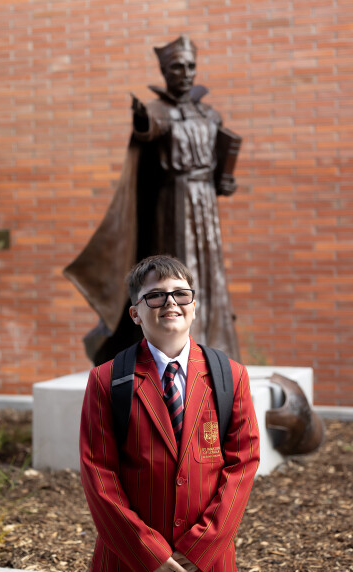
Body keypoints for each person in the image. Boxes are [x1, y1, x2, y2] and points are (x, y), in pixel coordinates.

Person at [80, 255, 260, 572]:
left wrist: (202, 544)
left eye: (181, 293)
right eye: (156, 296)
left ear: (194, 306)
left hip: (204, 568)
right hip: (132, 568)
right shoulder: (107, 380)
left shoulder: (230, 376)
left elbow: (242, 465)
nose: (171, 302)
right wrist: (146, 548)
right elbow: (98, 474)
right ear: (135, 313)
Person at [64, 35, 241, 365]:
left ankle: (213, 349)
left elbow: (217, 166)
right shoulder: (157, 111)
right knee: (176, 270)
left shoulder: (209, 114)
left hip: (206, 205)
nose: (185, 73)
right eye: (177, 67)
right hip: (172, 206)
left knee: (210, 276)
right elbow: (148, 128)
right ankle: (175, 348)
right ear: (164, 71)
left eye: (190, 66)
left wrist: (224, 181)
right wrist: (141, 119)